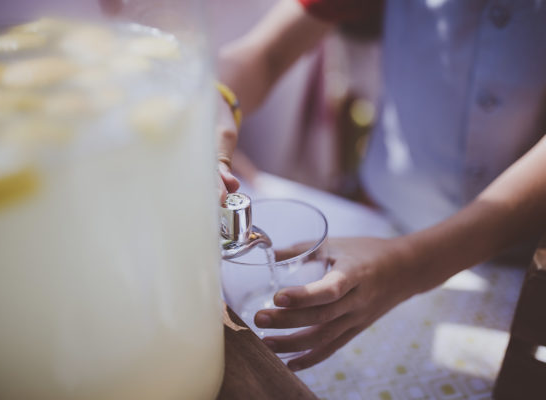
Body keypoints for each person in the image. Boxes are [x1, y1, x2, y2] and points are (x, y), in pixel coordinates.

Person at [214, 0, 546, 371]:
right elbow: (267, 52)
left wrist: (411, 265)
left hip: (530, 261)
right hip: (386, 214)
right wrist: (217, 97)